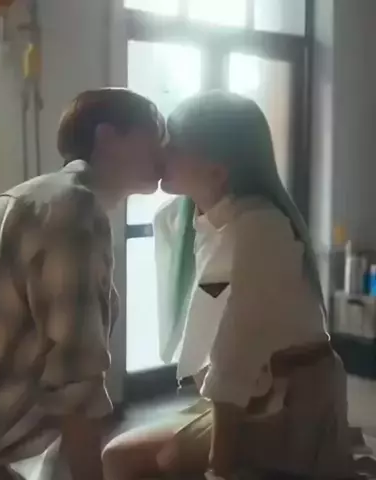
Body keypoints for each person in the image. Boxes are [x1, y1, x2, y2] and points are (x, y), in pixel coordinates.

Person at [0, 88, 164, 480]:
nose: (164, 148)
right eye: (154, 133)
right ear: (107, 137)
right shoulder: (72, 208)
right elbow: (76, 382)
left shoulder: (40, 197)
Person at [103, 91, 353, 480]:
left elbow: (236, 355)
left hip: (289, 403)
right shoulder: (188, 217)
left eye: (173, 145)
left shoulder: (260, 226)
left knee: (123, 458)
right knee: (126, 455)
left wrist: (217, 468)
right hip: (251, 393)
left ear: (218, 171)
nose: (160, 152)